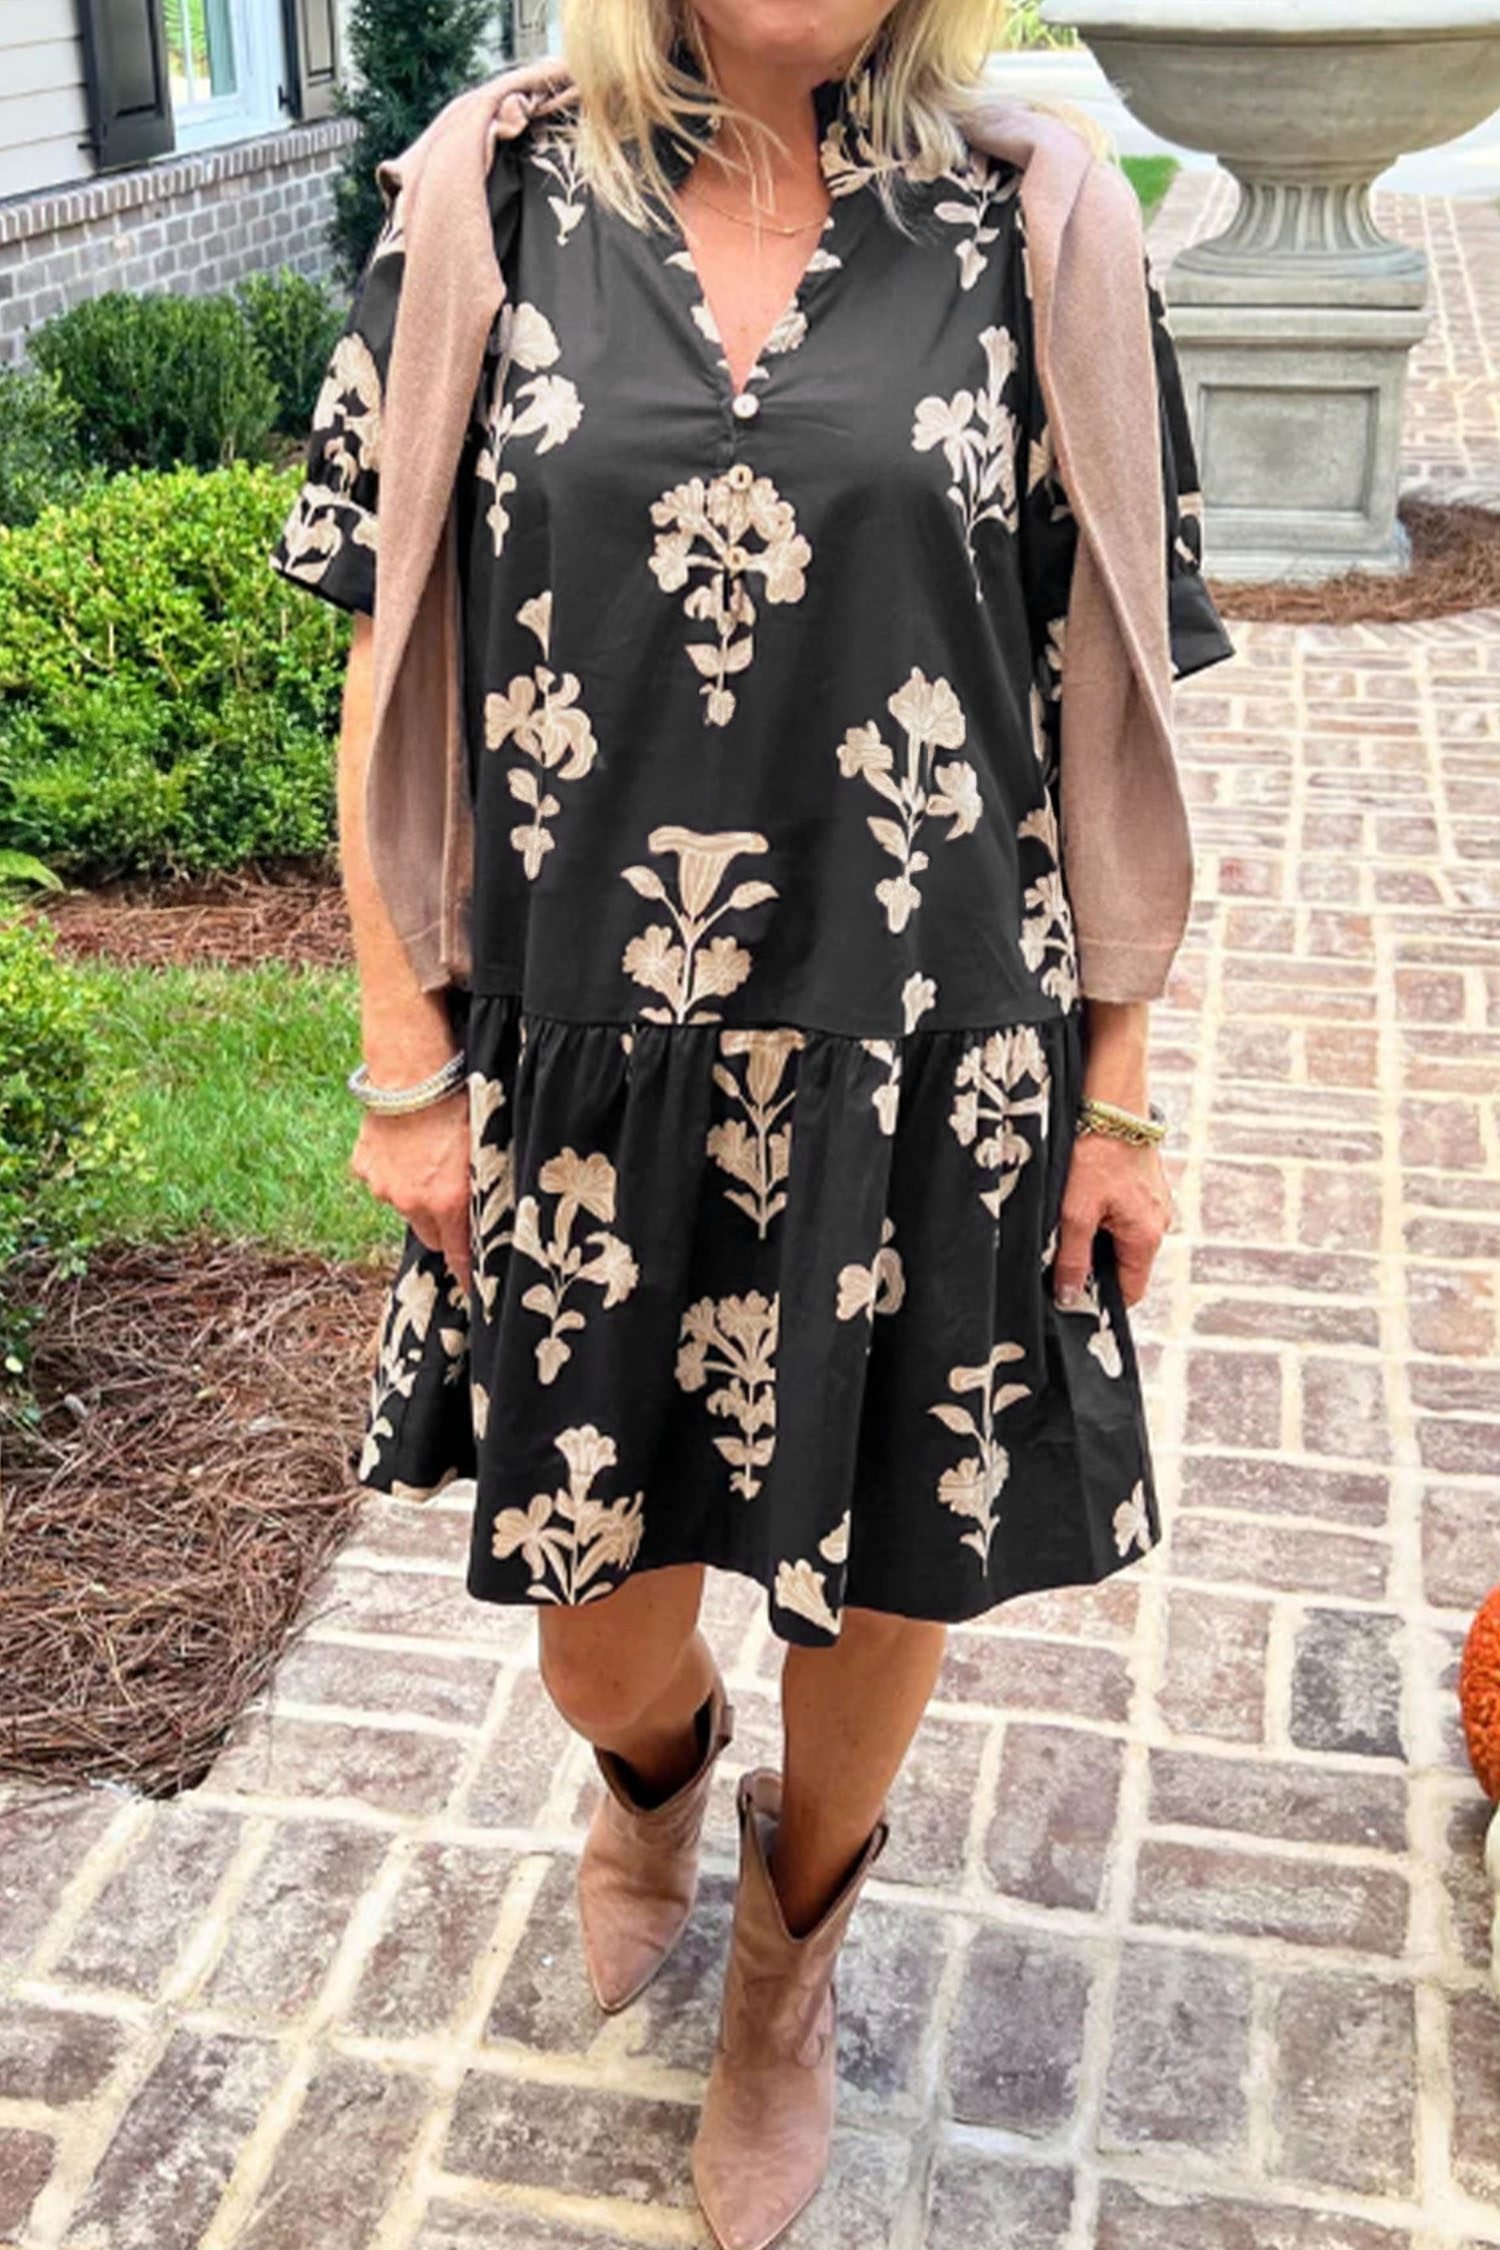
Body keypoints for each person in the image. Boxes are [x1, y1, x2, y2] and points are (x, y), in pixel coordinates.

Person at [269, 4, 1235, 2243]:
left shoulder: (1030, 223)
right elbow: (389, 655)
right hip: (583, 1052)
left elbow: (1101, 687)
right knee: (597, 1623)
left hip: (925, 1051)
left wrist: (1117, 1088)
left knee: (880, 1569)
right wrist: (404, 1055)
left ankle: (790, 1963)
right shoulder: (488, 196)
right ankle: (658, 1774)